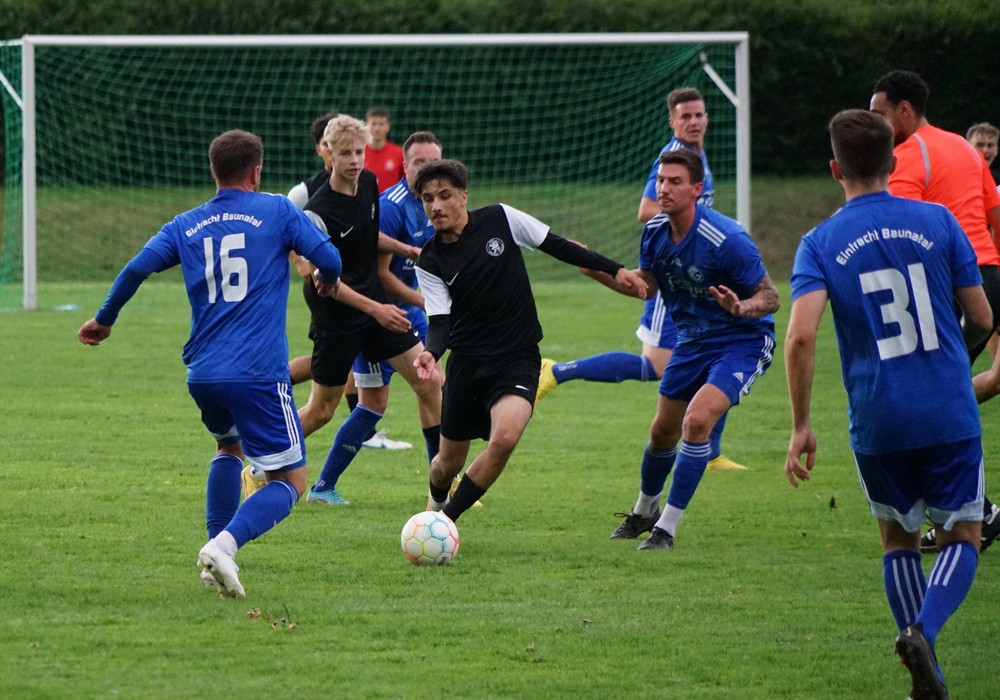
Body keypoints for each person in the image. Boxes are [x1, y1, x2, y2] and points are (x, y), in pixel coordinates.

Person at [78, 130, 344, 598]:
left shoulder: (185, 223)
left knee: (228, 446)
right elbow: (330, 257)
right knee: (291, 482)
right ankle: (224, 545)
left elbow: (136, 268)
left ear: (213, 172)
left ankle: (213, 561)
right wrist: (327, 276)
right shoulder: (277, 210)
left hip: (203, 373)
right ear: (256, 172)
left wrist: (104, 320)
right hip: (258, 372)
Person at [785, 109, 991, 700]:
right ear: (894, 161)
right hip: (948, 408)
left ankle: (926, 676)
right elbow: (981, 316)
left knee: (899, 541)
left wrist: (801, 424)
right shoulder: (938, 220)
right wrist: (948, 358)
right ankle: (923, 633)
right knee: (963, 535)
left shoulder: (820, 242)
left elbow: (800, 337)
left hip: (878, 418)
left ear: (835, 169)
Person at [411, 159, 648, 526]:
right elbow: (440, 321)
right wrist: (430, 352)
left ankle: (445, 522)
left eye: (444, 196)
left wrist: (614, 268)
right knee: (446, 465)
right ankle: (437, 498)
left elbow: (558, 246)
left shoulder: (501, 218)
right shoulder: (429, 261)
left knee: (505, 438)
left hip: (517, 358)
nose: (436, 206)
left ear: (463, 196)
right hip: (467, 365)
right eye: (428, 199)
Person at [535, 87, 745, 472]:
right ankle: (556, 371)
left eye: (699, 115)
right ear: (672, 121)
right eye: (686, 116)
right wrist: (693, 229)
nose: (694, 122)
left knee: (717, 351)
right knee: (658, 366)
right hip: (675, 275)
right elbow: (647, 209)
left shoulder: (695, 156)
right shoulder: (671, 159)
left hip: (697, 274)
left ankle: (711, 453)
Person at [607, 148, 779, 550]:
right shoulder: (654, 232)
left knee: (697, 421)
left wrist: (741, 307)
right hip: (692, 341)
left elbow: (770, 297)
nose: (663, 188)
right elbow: (646, 286)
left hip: (742, 341)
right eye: (660, 180)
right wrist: (598, 272)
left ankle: (665, 528)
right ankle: (644, 510)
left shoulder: (727, 239)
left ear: (697, 189)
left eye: (675, 182)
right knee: (661, 431)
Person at [870, 69, 1000, 550]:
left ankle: (977, 511)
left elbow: (901, 231)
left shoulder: (909, 154)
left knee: (924, 400)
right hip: (988, 279)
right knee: (944, 394)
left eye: (880, 113)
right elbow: (994, 215)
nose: (875, 122)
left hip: (953, 287)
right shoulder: (964, 148)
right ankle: (975, 511)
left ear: (904, 111)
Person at [298, 114, 442, 506]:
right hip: (337, 315)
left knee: (429, 382)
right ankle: (261, 462)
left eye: (359, 152)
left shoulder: (369, 183)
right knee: (322, 410)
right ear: (328, 153)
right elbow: (325, 283)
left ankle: (441, 487)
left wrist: (405, 249)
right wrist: (377, 309)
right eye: (345, 153)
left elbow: (367, 235)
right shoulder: (317, 211)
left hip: (375, 306)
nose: (354, 160)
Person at [365, 106, 406, 194]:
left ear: (388, 127)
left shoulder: (399, 153)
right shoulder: (358, 153)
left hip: (389, 201)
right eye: (373, 124)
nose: (377, 129)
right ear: (366, 126)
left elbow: (405, 181)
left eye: (381, 124)